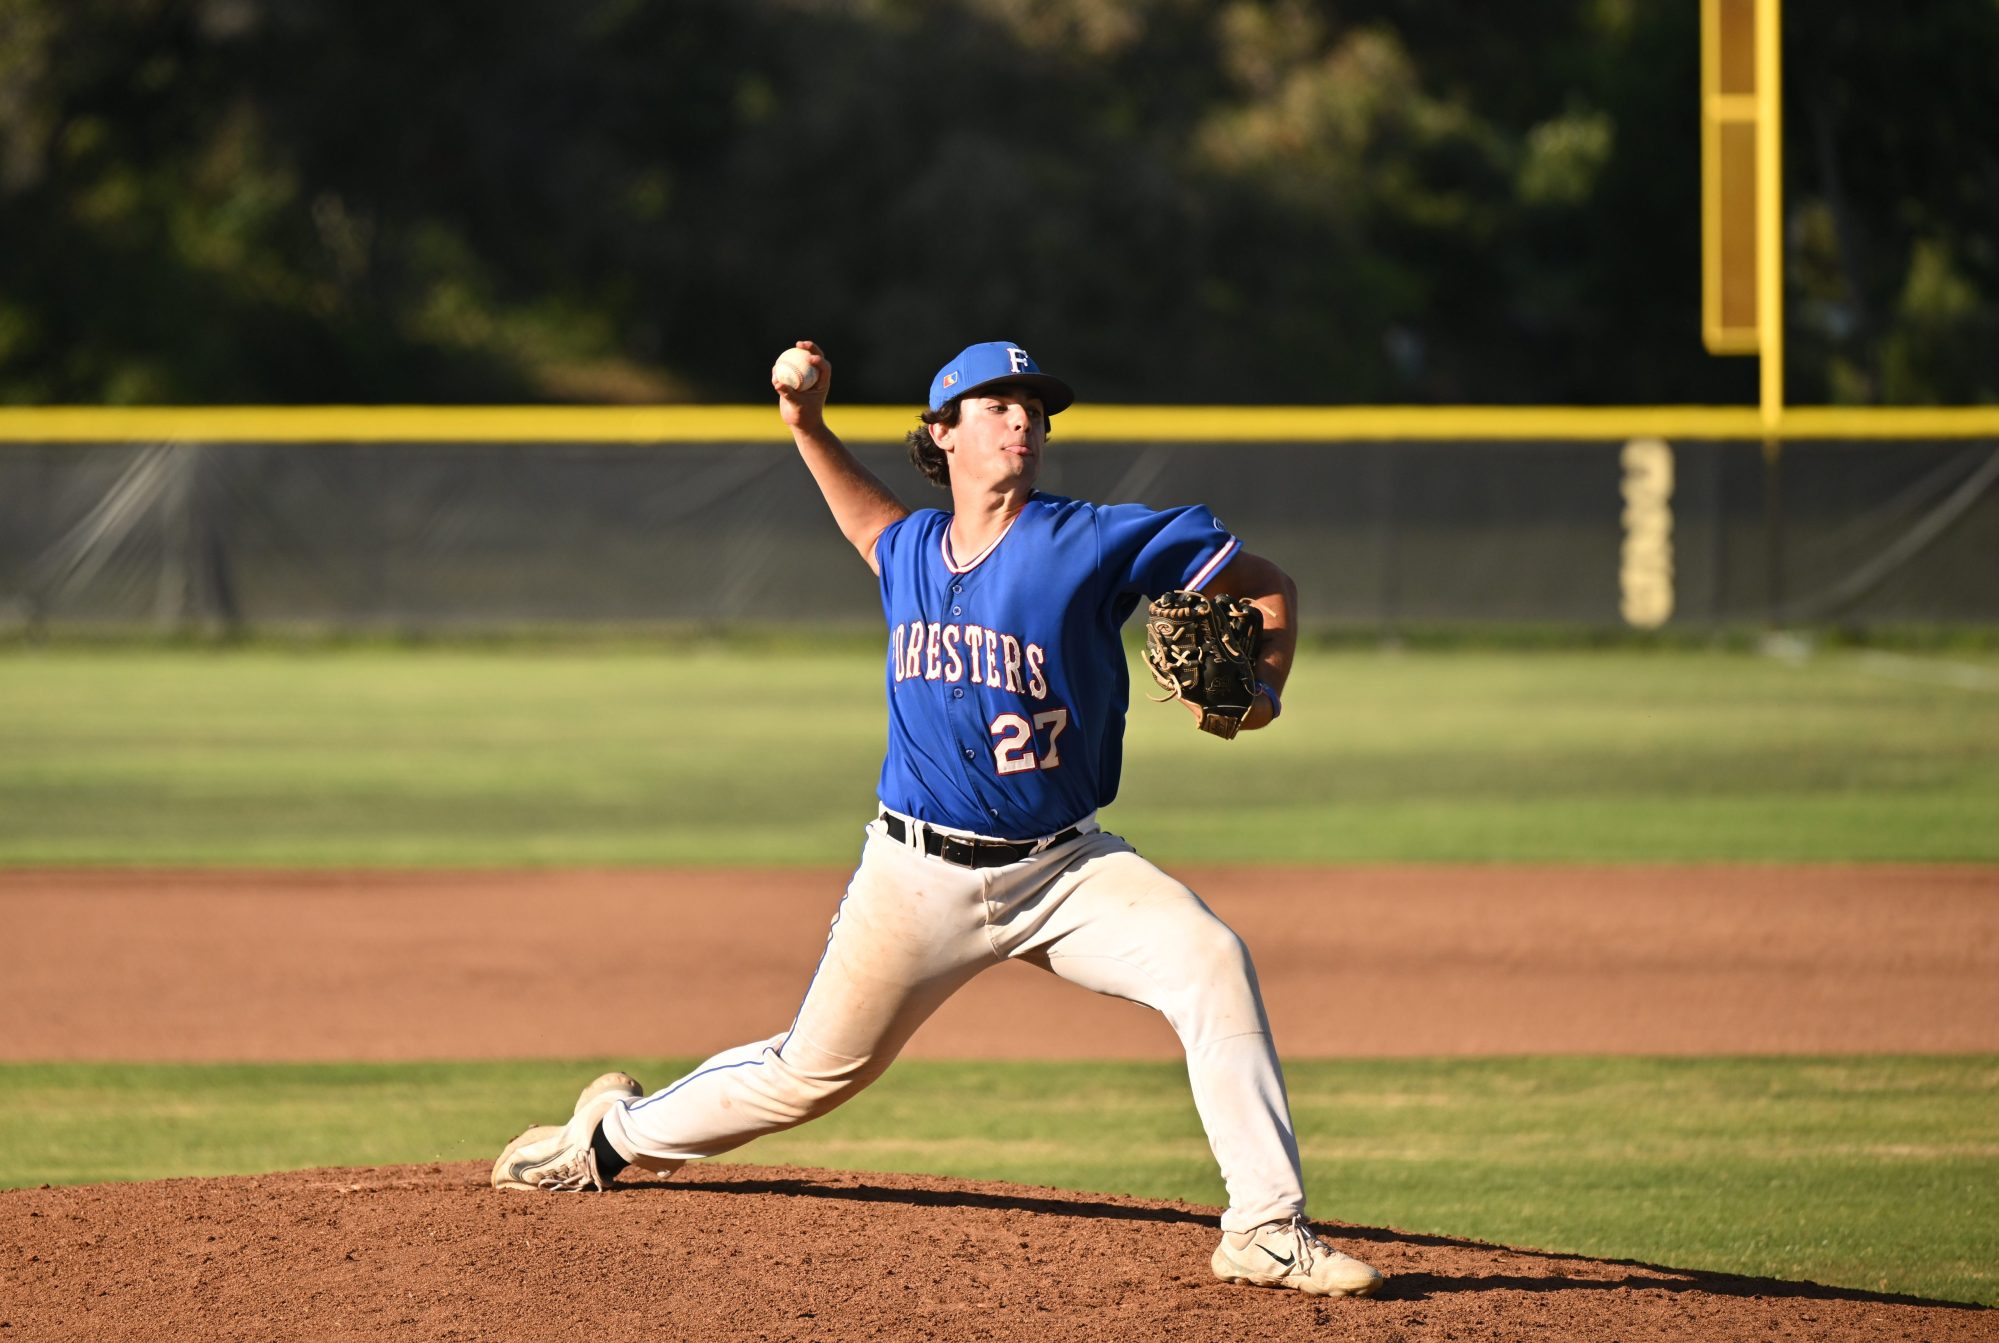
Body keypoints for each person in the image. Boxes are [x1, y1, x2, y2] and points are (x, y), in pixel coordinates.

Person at [491, 340, 1385, 1299]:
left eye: (1033, 409)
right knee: (808, 1074)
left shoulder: (1087, 538)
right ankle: (607, 1137)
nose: (1022, 422)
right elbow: (863, 519)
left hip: (1064, 871)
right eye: (996, 405)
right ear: (941, 433)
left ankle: (1263, 1225)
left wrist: (1262, 694)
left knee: (1209, 960)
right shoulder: (913, 549)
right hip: (914, 877)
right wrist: (807, 425)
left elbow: (1263, 584)